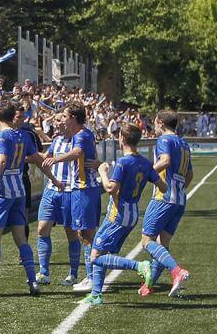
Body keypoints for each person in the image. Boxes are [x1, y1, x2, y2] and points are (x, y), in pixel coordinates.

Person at [0, 101, 61, 297]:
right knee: (21, 239)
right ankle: (33, 283)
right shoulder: (23, 135)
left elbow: (1, 161)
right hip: (19, 191)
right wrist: (54, 179)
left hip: (1, 192)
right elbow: (37, 159)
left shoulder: (2, 136)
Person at [79, 123, 167, 305]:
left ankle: (139, 266)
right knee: (100, 249)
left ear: (122, 139)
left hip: (118, 214)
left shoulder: (122, 162)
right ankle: (96, 294)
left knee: (95, 256)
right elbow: (163, 187)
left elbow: (111, 188)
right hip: (133, 213)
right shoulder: (145, 162)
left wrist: (102, 172)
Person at [43, 102, 101, 292]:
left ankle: (93, 277)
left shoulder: (82, 135)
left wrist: (56, 158)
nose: (63, 120)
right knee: (84, 234)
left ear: (74, 118)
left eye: (66, 116)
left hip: (83, 190)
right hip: (85, 190)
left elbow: (78, 153)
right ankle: (92, 275)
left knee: (86, 235)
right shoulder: (84, 135)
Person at [139, 110, 193, 298]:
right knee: (163, 243)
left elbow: (165, 161)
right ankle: (149, 284)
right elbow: (189, 175)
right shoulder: (184, 144)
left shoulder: (164, 140)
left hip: (163, 198)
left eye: (155, 122)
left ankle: (176, 271)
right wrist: (178, 190)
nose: (153, 126)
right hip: (179, 200)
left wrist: (144, 175)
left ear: (161, 123)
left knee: (147, 241)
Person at [35, 113, 81, 286]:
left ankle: (73, 274)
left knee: (71, 233)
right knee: (42, 228)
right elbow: (46, 157)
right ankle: (44, 273)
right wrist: (30, 154)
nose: (58, 122)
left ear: (70, 121)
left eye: (61, 119)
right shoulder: (57, 140)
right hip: (51, 190)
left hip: (70, 191)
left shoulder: (78, 140)